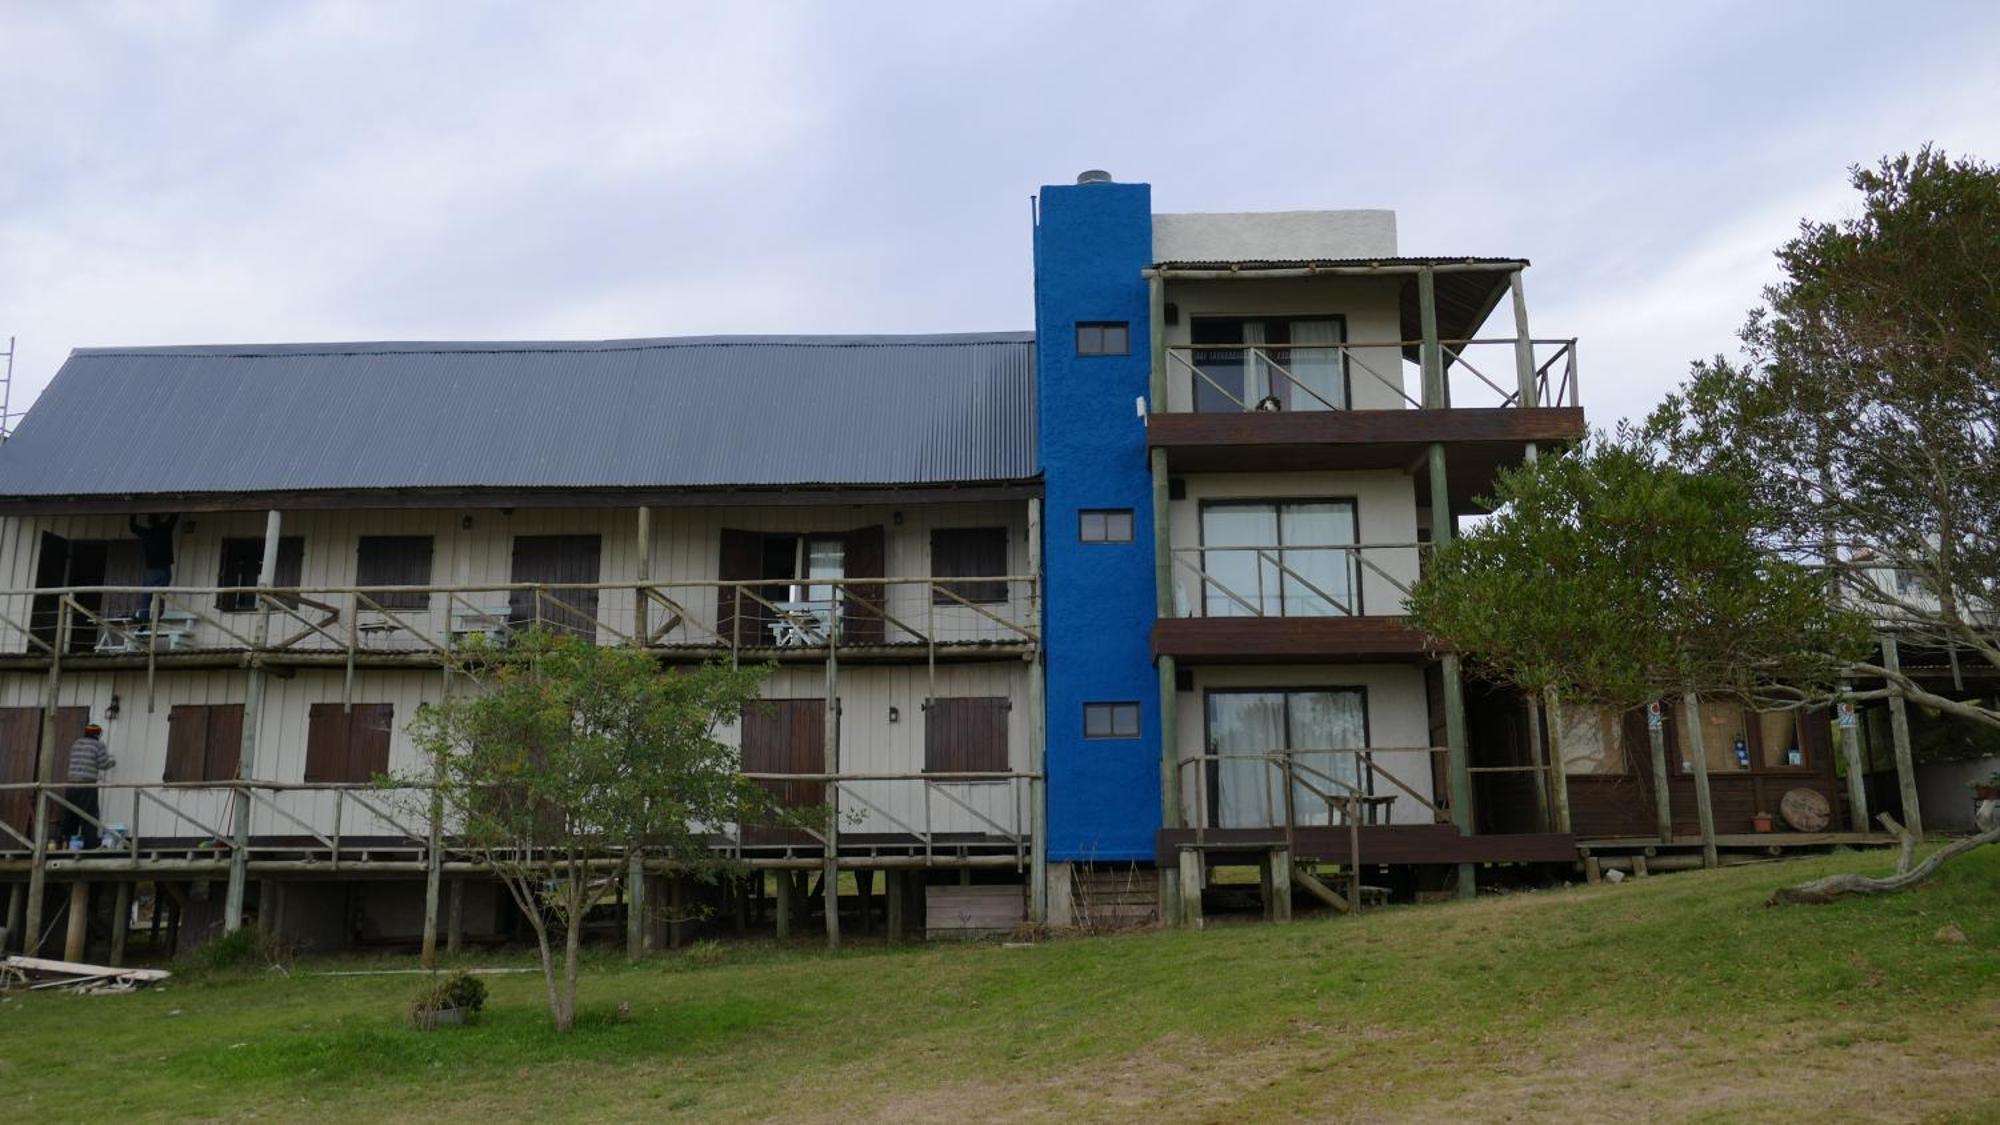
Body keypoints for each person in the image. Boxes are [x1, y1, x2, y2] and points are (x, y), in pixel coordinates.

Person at [59, 722, 115, 850]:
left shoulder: (76, 743)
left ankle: (65, 843)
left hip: (71, 783)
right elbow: (103, 764)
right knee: (90, 814)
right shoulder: (98, 745)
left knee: (70, 813)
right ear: (97, 734)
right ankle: (91, 845)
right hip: (86, 784)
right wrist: (112, 762)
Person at [129, 513, 180, 623]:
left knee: (146, 597)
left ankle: (143, 619)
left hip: (151, 570)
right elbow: (174, 516)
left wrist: (133, 513)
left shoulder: (147, 533)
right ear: (160, 519)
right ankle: (158, 618)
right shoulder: (166, 529)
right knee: (161, 596)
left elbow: (133, 528)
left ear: (149, 522)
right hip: (165, 569)